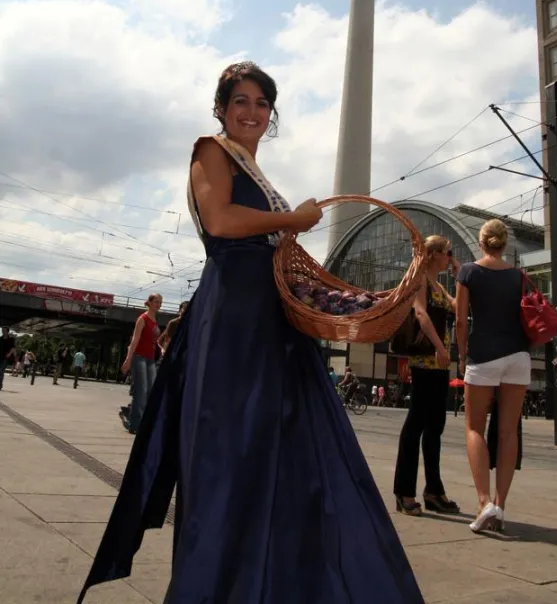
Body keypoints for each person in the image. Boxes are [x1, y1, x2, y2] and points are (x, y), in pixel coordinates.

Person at [77, 61, 424, 604]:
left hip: (269, 322)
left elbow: (285, 258)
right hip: (235, 322)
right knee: (231, 457)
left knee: (284, 459)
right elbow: (219, 221)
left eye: (262, 104)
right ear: (220, 107)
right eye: (240, 101)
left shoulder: (257, 173)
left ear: (271, 115)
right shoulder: (210, 151)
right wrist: (292, 220)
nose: (251, 112)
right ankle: (219, 585)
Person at [456, 218, 531, 533]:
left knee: (474, 427)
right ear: (504, 243)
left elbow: (461, 321)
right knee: (508, 431)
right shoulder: (519, 276)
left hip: (483, 355)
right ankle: (500, 506)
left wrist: (462, 356)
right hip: (518, 356)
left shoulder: (469, 272)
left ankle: (484, 501)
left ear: (482, 242)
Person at [393, 235, 459, 517]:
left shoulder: (440, 286)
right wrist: (440, 346)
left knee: (435, 427)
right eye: (448, 252)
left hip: (440, 365)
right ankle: (404, 491)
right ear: (432, 254)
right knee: (416, 425)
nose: (449, 256)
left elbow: (459, 307)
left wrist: (458, 273)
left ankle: (433, 490)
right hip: (424, 361)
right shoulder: (420, 279)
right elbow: (420, 314)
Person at [120, 294, 162, 434]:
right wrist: (128, 359)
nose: (159, 304)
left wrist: (161, 349)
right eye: (156, 301)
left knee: (151, 390)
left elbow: (154, 341)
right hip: (139, 358)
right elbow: (135, 340)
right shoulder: (142, 319)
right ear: (149, 303)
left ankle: (144, 421)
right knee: (141, 391)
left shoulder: (155, 320)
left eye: (160, 302)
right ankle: (135, 425)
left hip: (150, 359)